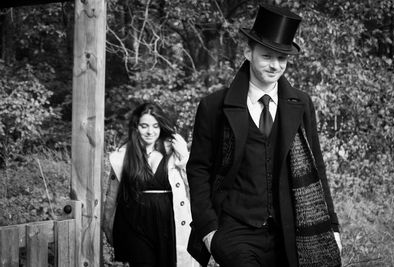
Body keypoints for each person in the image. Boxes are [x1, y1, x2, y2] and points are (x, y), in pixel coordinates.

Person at [187, 4, 342, 267]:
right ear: (249, 53)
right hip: (235, 229)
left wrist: (332, 226)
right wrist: (209, 231)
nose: (275, 66)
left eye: (281, 59)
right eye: (267, 56)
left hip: (289, 229)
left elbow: (317, 167)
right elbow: (199, 169)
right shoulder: (214, 106)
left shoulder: (301, 104)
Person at [102, 102, 199, 267]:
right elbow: (112, 195)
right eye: (144, 126)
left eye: (155, 126)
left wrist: (184, 158)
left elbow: (195, 186)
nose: (150, 131)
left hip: (168, 222)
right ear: (136, 127)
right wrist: (108, 227)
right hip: (134, 223)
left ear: (161, 126)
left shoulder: (174, 152)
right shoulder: (124, 155)